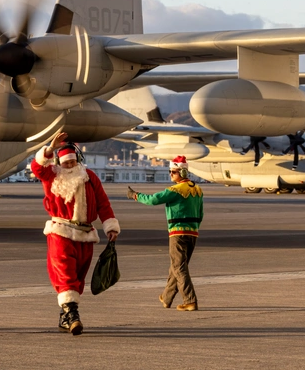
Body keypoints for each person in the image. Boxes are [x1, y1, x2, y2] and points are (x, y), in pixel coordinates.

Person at [31, 132, 119, 335]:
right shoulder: (52, 176)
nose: (69, 166)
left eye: (71, 162)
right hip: (60, 232)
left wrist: (110, 226)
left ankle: (65, 316)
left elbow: (103, 203)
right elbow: (37, 167)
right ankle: (72, 315)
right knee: (65, 273)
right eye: (65, 163)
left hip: (85, 234)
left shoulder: (90, 178)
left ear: (78, 161)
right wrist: (49, 150)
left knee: (78, 277)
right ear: (59, 164)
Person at [127, 155, 203, 311]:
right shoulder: (197, 189)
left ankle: (190, 300)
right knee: (176, 267)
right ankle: (166, 297)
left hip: (177, 233)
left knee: (179, 268)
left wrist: (135, 195)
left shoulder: (175, 190)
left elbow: (153, 200)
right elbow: (201, 213)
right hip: (193, 233)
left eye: (173, 172)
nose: (171, 174)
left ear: (181, 173)